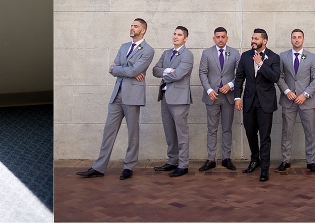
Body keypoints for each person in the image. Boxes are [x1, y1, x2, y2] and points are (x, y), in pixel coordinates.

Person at [76, 18, 155, 180]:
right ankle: (99, 167)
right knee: (108, 131)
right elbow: (114, 69)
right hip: (117, 94)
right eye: (131, 25)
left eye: (135, 26)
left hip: (132, 96)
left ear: (143, 30)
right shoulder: (124, 46)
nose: (132, 28)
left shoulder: (148, 50)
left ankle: (129, 166)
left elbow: (132, 70)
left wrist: (120, 69)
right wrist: (124, 70)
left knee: (133, 132)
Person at [234, 28, 280, 182]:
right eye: (252, 38)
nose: (253, 41)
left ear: (264, 41)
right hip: (249, 102)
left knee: (265, 136)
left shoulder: (274, 57)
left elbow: (275, 77)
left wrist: (261, 64)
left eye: (256, 39)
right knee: (250, 133)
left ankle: (265, 169)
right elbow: (239, 77)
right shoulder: (245, 56)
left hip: (265, 103)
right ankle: (255, 159)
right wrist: (237, 98)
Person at [276, 29, 315, 173]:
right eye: (294, 37)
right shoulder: (283, 56)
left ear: (303, 39)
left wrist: (306, 94)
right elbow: (279, 76)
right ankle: (286, 160)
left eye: (299, 37)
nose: (296, 40)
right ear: (291, 40)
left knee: (310, 132)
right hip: (288, 100)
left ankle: (311, 161)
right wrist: (287, 91)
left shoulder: (312, 57)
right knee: (287, 132)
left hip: (306, 101)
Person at [152, 26, 194, 177]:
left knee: (181, 133)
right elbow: (155, 70)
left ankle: (183, 164)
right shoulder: (166, 53)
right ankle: (172, 160)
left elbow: (179, 75)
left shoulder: (187, 55)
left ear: (185, 38)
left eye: (179, 35)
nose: (176, 36)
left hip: (179, 100)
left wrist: (165, 73)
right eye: (174, 34)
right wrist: (169, 70)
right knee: (169, 132)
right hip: (165, 97)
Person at [197, 26, 239, 171]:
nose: (220, 39)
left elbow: (239, 74)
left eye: (223, 37)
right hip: (212, 96)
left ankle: (226, 158)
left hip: (228, 96)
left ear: (226, 38)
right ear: (214, 38)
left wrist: (230, 85)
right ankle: (211, 159)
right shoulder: (207, 53)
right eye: (218, 37)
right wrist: (209, 89)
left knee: (227, 128)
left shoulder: (234, 53)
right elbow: (202, 73)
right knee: (211, 129)